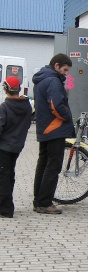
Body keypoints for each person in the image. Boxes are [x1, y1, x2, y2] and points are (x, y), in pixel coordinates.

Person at [32, 53, 75, 214]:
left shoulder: (41, 79)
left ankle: (38, 201)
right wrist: (68, 116)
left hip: (44, 127)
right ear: (56, 65)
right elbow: (56, 105)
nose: (66, 73)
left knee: (43, 164)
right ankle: (44, 203)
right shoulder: (53, 81)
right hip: (55, 128)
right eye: (65, 70)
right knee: (53, 166)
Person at [0, 76, 32, 218]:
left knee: (3, 176)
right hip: (17, 146)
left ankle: (5, 209)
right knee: (9, 174)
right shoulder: (27, 106)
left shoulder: (4, 107)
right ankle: (6, 204)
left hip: (4, 147)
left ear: (5, 89)